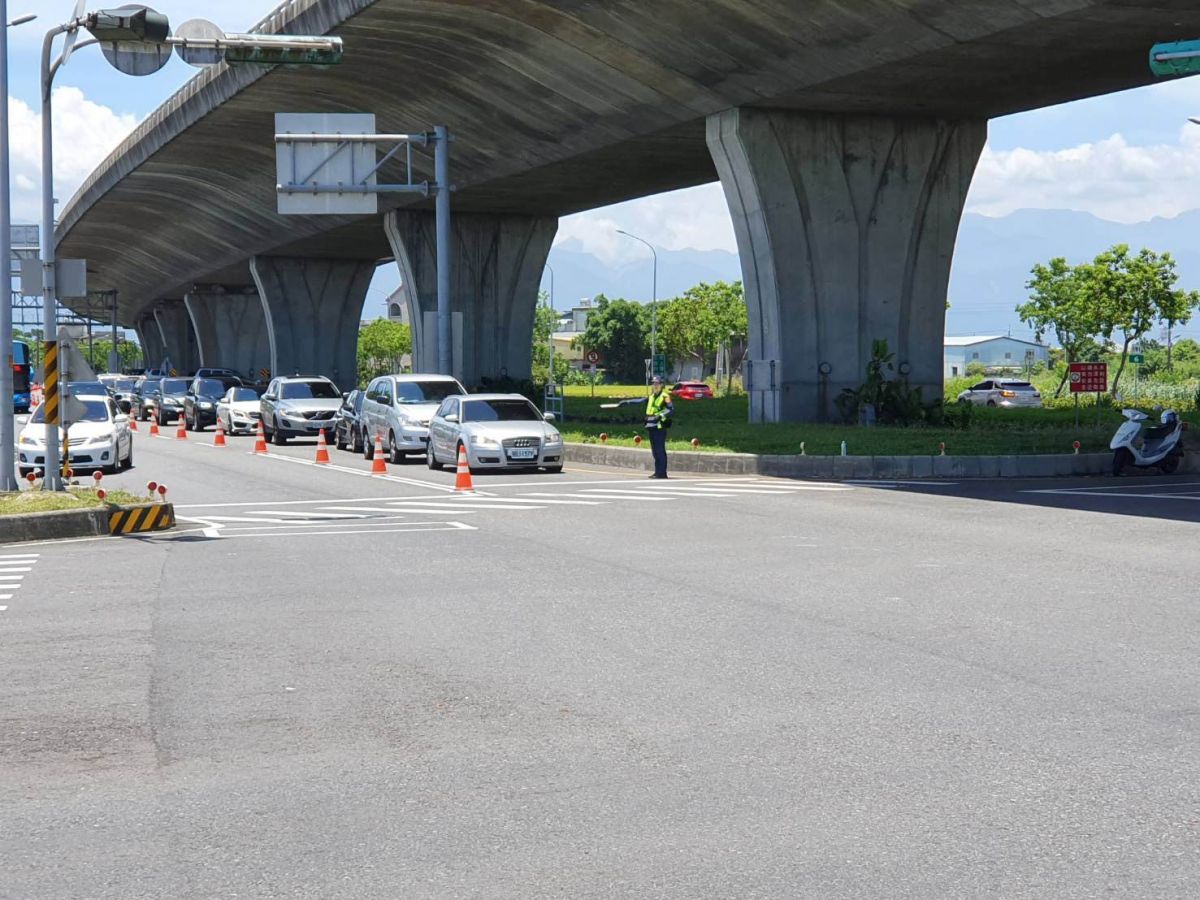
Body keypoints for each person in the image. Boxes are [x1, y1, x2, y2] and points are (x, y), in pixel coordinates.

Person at [645, 375, 673, 479]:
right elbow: (641, 401)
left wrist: (660, 415)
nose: (655, 385)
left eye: (657, 383)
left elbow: (671, 409)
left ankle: (662, 473)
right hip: (651, 425)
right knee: (655, 451)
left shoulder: (665, 396)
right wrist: (626, 402)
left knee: (660, 450)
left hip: (660, 426)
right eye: (653, 383)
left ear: (662, 385)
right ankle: (657, 472)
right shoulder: (652, 396)